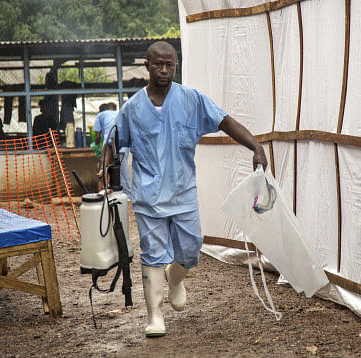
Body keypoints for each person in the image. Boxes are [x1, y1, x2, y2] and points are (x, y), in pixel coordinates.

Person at [99, 41, 267, 337]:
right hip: (148, 198)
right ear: (147, 65)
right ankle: (154, 316)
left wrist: (255, 145)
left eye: (170, 65)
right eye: (158, 65)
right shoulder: (133, 108)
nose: (164, 70)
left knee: (190, 251)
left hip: (183, 193)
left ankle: (175, 278)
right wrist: (104, 169)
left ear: (175, 65)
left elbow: (225, 122)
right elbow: (113, 142)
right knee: (151, 255)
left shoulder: (191, 99)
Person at [93, 102, 132, 199]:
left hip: (109, 141)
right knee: (122, 169)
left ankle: (103, 192)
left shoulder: (101, 115)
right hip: (122, 142)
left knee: (104, 168)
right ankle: (127, 195)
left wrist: (96, 146)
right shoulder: (118, 113)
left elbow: (97, 136)